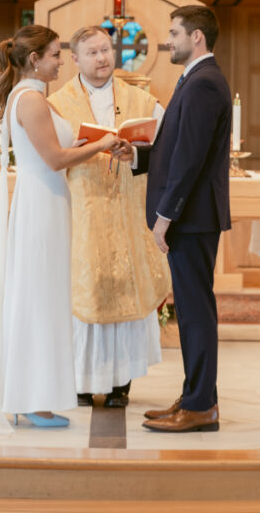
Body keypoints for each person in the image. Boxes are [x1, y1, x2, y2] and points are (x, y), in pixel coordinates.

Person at [0, 25, 116, 440]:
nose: (60, 61)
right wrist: (102, 147)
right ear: (34, 60)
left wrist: (105, 139)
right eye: (54, 55)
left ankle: (35, 397)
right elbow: (54, 158)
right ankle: (29, 400)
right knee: (38, 301)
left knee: (44, 299)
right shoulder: (29, 100)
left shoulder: (33, 97)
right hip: (40, 205)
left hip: (47, 204)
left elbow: (66, 141)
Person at [114, 5, 231, 433]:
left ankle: (201, 406)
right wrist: (139, 156)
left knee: (196, 312)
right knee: (193, 310)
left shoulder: (203, 83)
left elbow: (189, 159)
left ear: (196, 37)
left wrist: (165, 216)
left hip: (192, 217)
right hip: (193, 215)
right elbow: (175, 145)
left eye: (175, 33)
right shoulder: (196, 79)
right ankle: (195, 396)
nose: (169, 40)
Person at [50, 26, 170, 408]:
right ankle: (82, 383)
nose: (102, 58)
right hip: (82, 214)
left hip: (128, 214)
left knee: (125, 291)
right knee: (84, 296)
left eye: (106, 50)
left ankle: (121, 385)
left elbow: (169, 152)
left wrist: (134, 156)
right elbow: (48, 156)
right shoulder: (56, 104)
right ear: (75, 59)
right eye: (92, 53)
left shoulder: (142, 100)